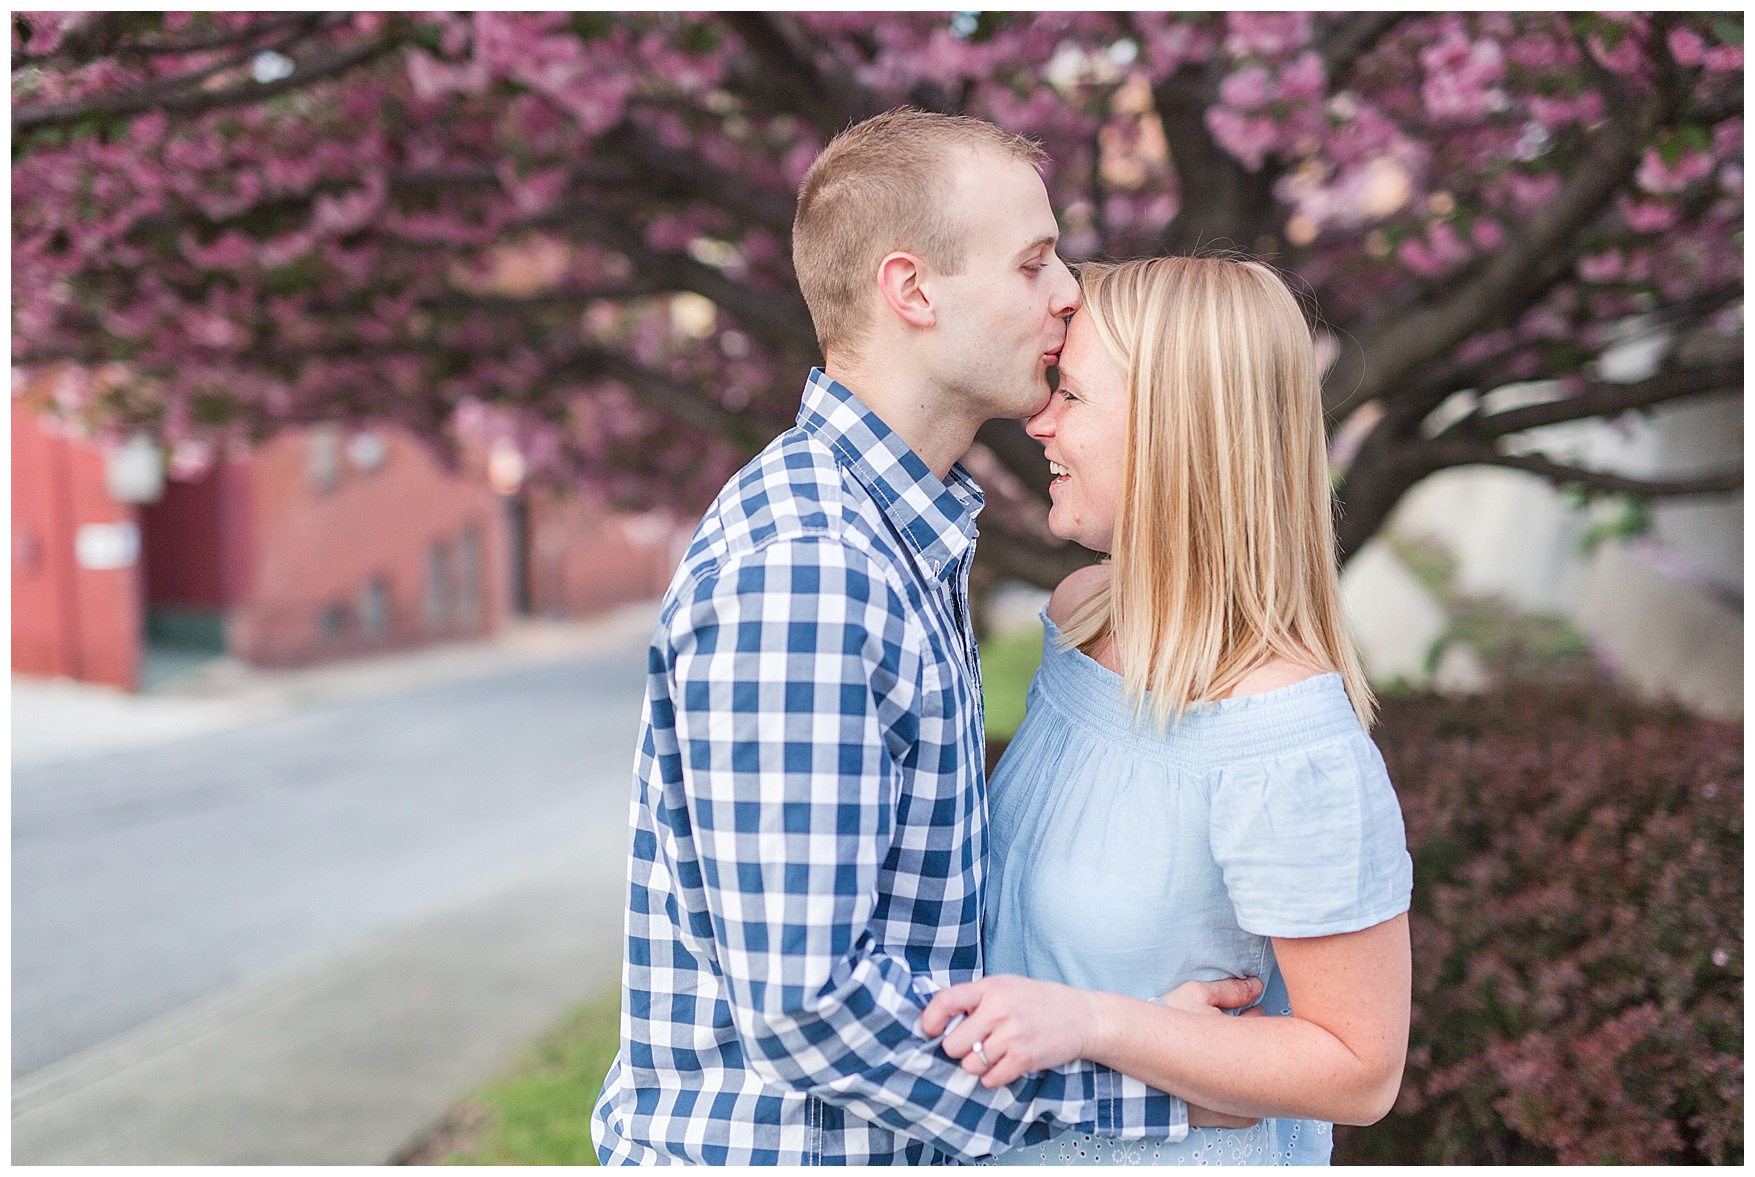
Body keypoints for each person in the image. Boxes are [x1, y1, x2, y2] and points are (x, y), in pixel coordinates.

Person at [591, 111, 1258, 1166]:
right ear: (913, 291)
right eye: (1033, 263)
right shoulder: (811, 565)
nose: (1070, 293)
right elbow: (813, 1007)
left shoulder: (891, 533)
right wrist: (1144, 1088)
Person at [920, 256, 1415, 1165]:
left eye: (1068, 392)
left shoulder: (1285, 741)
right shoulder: (1080, 617)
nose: (1037, 420)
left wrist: (1098, 1022)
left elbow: (1358, 1069)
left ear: (1169, 431)